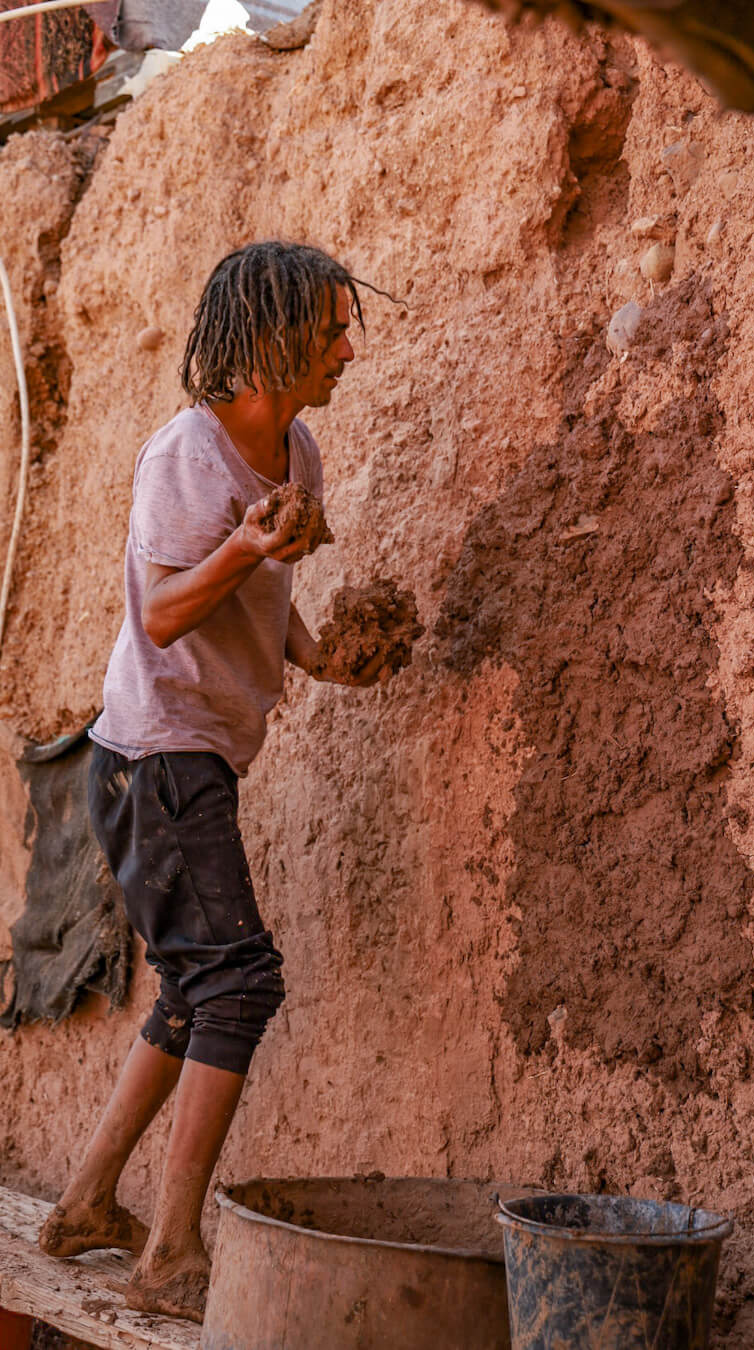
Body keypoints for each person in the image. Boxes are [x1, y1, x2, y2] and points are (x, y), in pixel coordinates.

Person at [38, 241, 388, 1323]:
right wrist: (244, 547)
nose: (345, 347)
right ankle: (170, 1253)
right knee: (239, 983)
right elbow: (163, 616)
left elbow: (266, 605)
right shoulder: (186, 455)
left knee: (200, 989)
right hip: (154, 760)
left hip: (193, 763)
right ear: (273, 338)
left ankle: (89, 1203)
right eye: (330, 328)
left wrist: (327, 654)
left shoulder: (298, 453)